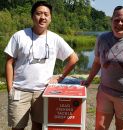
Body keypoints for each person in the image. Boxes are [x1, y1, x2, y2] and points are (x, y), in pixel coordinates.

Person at [4, 1, 78, 130]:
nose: (42, 17)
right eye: (38, 13)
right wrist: (10, 89)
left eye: (46, 14)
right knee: (17, 127)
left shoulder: (55, 39)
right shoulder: (19, 36)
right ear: (32, 16)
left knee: (38, 126)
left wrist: (60, 77)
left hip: (43, 92)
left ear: (50, 18)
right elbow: (9, 62)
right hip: (20, 90)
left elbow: (73, 58)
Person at [82, 6, 123, 130]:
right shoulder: (102, 39)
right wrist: (89, 80)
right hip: (105, 92)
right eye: (116, 20)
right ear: (111, 21)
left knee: (121, 127)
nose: (119, 23)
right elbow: (97, 62)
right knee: (100, 126)